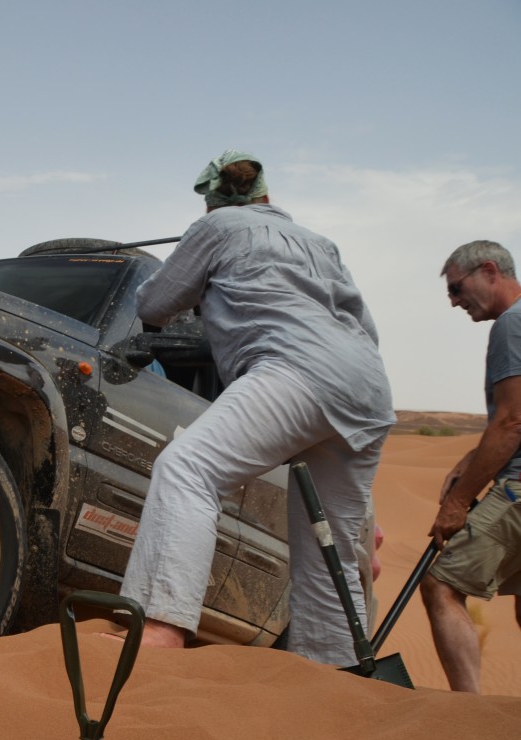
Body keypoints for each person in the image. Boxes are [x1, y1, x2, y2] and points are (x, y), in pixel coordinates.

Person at [117, 151, 394, 665]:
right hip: (368, 391)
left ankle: (159, 631)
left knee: (187, 469)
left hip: (294, 370)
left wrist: (194, 272)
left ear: (211, 200)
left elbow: (153, 306)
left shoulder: (217, 226)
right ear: (266, 196)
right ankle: (334, 676)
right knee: (324, 546)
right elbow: (364, 329)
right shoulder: (321, 243)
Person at [419, 240, 521, 693]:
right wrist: (469, 458)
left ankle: (469, 718)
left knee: (440, 585)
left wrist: (458, 503)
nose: (454, 301)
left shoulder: (511, 327)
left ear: (489, 270)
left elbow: (512, 420)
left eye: (458, 288)